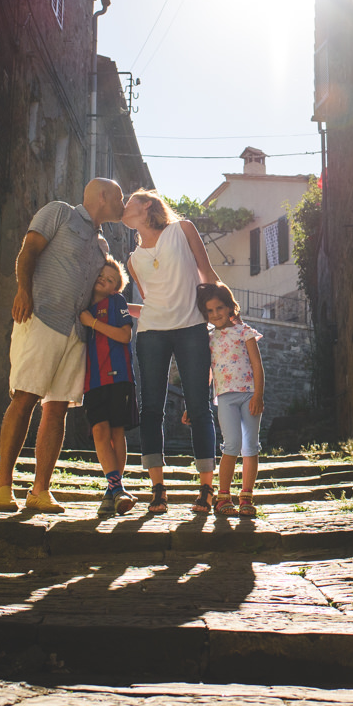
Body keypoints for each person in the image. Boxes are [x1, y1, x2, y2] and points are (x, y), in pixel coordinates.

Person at [0, 177, 125, 513]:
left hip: (76, 333)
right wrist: (23, 291)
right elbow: (29, 251)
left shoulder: (103, 247)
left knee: (57, 408)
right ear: (103, 196)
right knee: (25, 397)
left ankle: (40, 491)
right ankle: (3, 486)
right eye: (120, 198)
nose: (122, 206)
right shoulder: (60, 213)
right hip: (42, 317)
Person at [121, 188, 221, 514]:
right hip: (151, 333)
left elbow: (207, 275)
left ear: (147, 205)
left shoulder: (183, 230)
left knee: (199, 407)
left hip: (192, 327)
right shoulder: (133, 260)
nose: (123, 207)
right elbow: (152, 300)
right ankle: (158, 490)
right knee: (151, 408)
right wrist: (119, 309)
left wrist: (228, 316)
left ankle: (206, 489)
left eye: (128, 202)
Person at [79, 257, 138, 517]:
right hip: (92, 379)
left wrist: (92, 323)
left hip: (118, 376)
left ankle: (114, 488)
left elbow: (125, 335)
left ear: (116, 288)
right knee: (99, 430)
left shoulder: (116, 302)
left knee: (116, 432)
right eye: (101, 275)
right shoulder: (82, 303)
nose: (104, 279)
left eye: (111, 279)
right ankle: (116, 490)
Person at [200, 283, 265, 517]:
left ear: (229, 307)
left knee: (251, 446)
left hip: (249, 395)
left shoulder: (244, 331)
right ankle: (223, 496)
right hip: (225, 397)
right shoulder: (208, 339)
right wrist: (194, 403)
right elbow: (206, 373)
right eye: (210, 310)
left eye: (219, 308)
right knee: (232, 444)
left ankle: (246, 497)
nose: (215, 314)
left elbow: (257, 365)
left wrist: (258, 395)